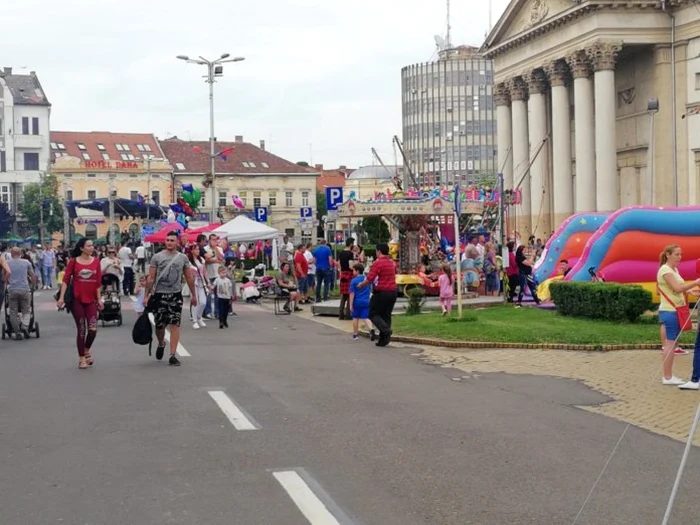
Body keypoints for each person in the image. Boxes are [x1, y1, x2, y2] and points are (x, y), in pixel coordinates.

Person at [144, 230, 197, 367]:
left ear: (177, 242)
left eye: (172, 240)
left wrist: (194, 295)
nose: (169, 243)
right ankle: (161, 343)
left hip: (175, 295)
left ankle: (173, 355)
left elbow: (189, 277)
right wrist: (146, 295)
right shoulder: (157, 257)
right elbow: (151, 278)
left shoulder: (183, 258)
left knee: (175, 324)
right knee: (160, 325)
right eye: (167, 240)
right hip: (160, 295)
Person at [656, 244, 700, 385]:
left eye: (680, 254)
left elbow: (678, 288)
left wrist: (688, 291)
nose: (679, 257)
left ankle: (668, 376)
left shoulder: (674, 269)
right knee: (670, 344)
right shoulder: (665, 270)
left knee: (672, 344)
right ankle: (667, 377)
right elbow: (676, 288)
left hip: (674, 309)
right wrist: (695, 283)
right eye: (676, 254)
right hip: (670, 310)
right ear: (668, 255)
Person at [57, 238, 103, 370]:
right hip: (77, 300)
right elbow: (65, 280)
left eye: (92, 245)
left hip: (92, 300)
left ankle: (86, 349)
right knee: (82, 329)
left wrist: (99, 299)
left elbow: (98, 283)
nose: (91, 248)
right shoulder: (73, 262)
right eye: (88, 246)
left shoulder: (96, 262)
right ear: (82, 248)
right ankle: (82, 358)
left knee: (93, 329)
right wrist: (61, 298)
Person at [358, 243, 397, 347]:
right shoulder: (391, 263)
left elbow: (370, 278)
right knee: (386, 315)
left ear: (379, 251)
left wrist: (361, 285)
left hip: (381, 292)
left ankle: (386, 330)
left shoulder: (378, 263)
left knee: (372, 313)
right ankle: (383, 340)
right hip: (392, 292)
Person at [7, 247, 33, 340]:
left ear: (11, 253)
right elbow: (32, 274)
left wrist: (6, 282)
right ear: (20, 254)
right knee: (26, 310)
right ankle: (25, 326)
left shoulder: (8, 263)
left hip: (12, 289)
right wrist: (33, 285)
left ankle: (17, 332)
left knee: (13, 312)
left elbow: (4, 276)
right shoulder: (26, 262)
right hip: (24, 289)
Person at [349, 263, 374, 341]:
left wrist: (350, 305)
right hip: (366, 301)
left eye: (353, 270)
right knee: (365, 317)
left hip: (357, 301)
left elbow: (352, 293)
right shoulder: (366, 279)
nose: (352, 272)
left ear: (357, 271)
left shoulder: (354, 281)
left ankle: (355, 335)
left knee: (355, 317)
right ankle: (371, 329)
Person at [187, 244, 209, 329]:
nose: (198, 251)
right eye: (196, 249)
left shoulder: (202, 260)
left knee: (203, 302)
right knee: (195, 301)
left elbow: (205, 272)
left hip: (201, 282)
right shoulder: (188, 261)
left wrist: (208, 282)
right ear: (192, 250)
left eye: (198, 249)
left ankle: (199, 317)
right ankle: (195, 320)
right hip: (193, 283)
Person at [203, 233, 224, 320]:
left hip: (217, 274)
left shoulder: (219, 248)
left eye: (216, 239)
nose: (214, 241)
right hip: (208, 273)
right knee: (208, 294)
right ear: (209, 240)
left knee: (218, 294)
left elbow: (221, 259)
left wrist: (215, 248)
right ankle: (207, 312)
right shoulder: (205, 249)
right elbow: (206, 261)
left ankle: (217, 312)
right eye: (213, 239)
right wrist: (215, 260)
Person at [337, 238, 355, 320]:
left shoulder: (341, 253)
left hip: (343, 274)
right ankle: (348, 314)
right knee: (349, 294)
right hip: (349, 274)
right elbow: (350, 265)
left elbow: (339, 264)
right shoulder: (350, 254)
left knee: (343, 295)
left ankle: (340, 314)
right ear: (351, 244)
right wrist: (355, 267)